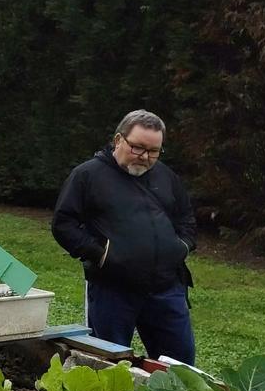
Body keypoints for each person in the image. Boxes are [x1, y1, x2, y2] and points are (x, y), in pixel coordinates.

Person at [51, 109, 197, 364]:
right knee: (109, 365)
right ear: (118, 140)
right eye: (138, 148)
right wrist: (101, 255)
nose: (145, 157)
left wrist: (181, 247)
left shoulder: (166, 176)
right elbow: (63, 224)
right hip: (113, 290)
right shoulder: (88, 175)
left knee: (180, 367)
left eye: (154, 151)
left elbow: (186, 219)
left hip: (167, 289)